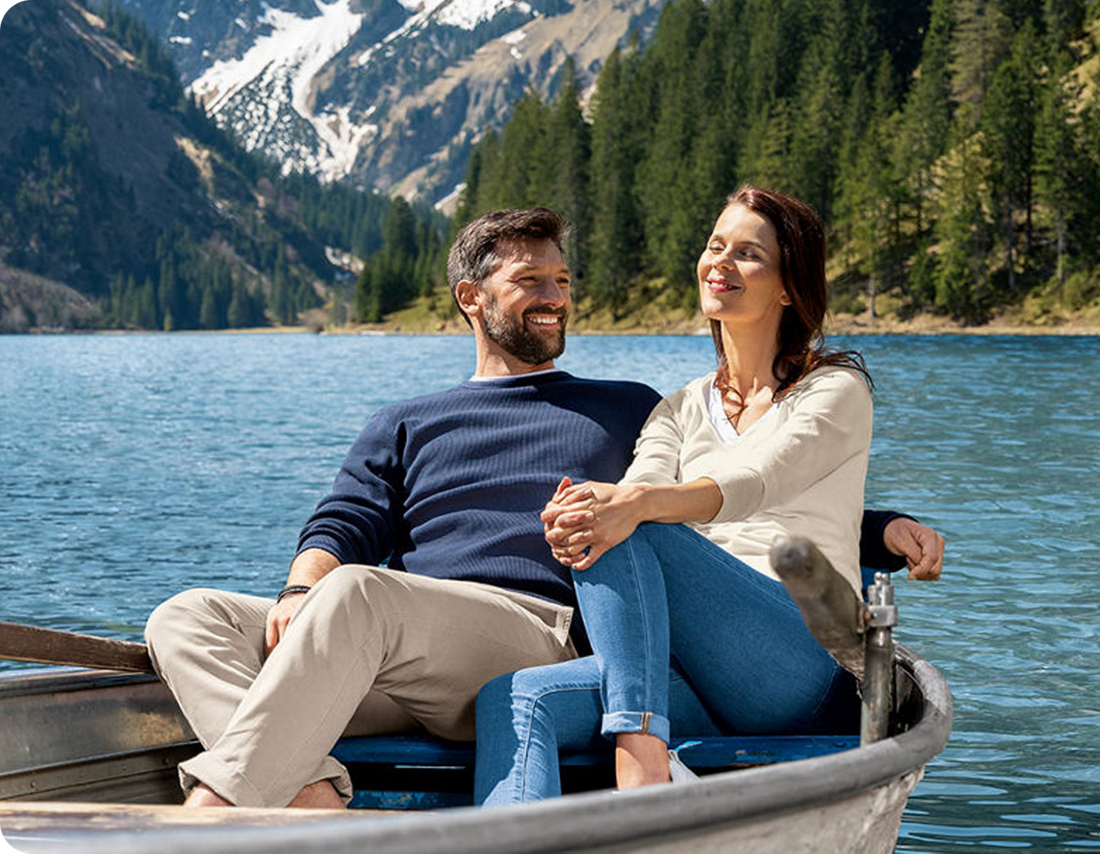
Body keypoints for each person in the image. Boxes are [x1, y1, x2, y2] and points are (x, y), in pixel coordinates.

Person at [145, 205, 943, 810]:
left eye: (562, 282)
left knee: (363, 592)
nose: (555, 298)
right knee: (186, 618)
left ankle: (217, 812)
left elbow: (735, 492)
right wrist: (297, 588)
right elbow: (345, 521)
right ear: (470, 297)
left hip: (539, 627)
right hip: (401, 645)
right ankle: (310, 800)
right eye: (531, 283)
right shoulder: (406, 420)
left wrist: (875, 530)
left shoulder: (621, 406)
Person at [475, 187, 941, 806]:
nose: (721, 262)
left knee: (625, 519)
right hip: (689, 669)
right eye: (716, 245)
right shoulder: (679, 408)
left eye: (748, 253)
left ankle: (640, 772)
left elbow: (753, 483)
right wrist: (579, 512)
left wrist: (627, 507)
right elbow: (636, 489)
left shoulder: (835, 389)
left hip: (803, 662)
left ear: (786, 287)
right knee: (513, 699)